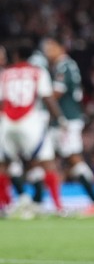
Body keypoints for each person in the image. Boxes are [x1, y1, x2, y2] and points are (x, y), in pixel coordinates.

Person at [0, 38, 65, 215]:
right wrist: (60, 120)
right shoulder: (38, 72)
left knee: (3, 165)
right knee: (47, 163)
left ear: (15, 55)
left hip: (7, 122)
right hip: (29, 122)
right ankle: (58, 207)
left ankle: (4, 207)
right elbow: (48, 98)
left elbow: (1, 101)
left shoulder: (5, 73)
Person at [42, 37, 94, 212]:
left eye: (51, 47)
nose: (47, 52)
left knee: (73, 158)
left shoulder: (64, 65)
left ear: (60, 48)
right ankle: (40, 200)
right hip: (62, 120)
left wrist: (38, 100)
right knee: (44, 159)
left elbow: (55, 94)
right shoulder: (64, 66)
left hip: (66, 120)